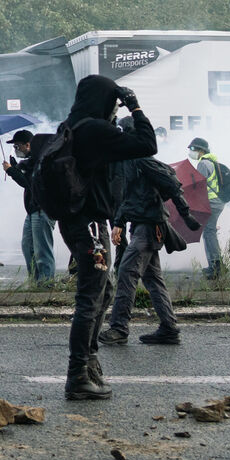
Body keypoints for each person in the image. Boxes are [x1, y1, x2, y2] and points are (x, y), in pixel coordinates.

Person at [60, 76, 158, 400]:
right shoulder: (94, 129)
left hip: (77, 221)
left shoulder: (71, 127)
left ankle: (89, 363)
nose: (115, 109)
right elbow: (147, 145)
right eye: (113, 103)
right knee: (90, 298)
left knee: (104, 293)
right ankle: (78, 374)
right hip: (90, 225)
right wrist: (135, 107)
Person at [100, 153, 200, 346]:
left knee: (127, 273)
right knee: (153, 279)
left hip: (149, 227)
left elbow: (172, 183)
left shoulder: (142, 160)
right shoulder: (128, 163)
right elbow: (128, 197)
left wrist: (186, 214)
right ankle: (169, 328)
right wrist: (119, 222)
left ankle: (119, 328)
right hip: (141, 226)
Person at [4, 129, 55, 287]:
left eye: (18, 146)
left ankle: (46, 283)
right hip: (33, 210)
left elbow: (29, 183)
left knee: (42, 249)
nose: (16, 149)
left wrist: (11, 171)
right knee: (28, 246)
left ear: (28, 145)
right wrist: (15, 168)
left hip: (42, 209)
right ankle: (35, 281)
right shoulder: (31, 161)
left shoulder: (40, 160)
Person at [188, 137, 226, 280]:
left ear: (201, 150)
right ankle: (217, 265)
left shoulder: (203, 163)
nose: (191, 152)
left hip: (211, 202)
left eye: (193, 149)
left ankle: (216, 267)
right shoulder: (212, 162)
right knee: (210, 232)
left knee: (209, 233)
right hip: (217, 202)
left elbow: (199, 185)